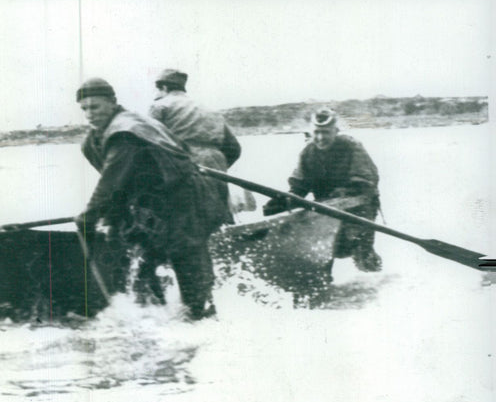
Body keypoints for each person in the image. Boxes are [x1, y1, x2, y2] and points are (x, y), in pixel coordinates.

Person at [74, 77, 227, 319]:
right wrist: (111, 220)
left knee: (188, 262)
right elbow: (118, 189)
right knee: (142, 260)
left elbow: (111, 182)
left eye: (96, 107)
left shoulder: (126, 131)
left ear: (112, 103)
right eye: (84, 109)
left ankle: (201, 319)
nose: (90, 114)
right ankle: (157, 318)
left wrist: (88, 216)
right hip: (151, 203)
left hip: (184, 199)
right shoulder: (94, 140)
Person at [262, 108, 382, 272]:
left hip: (358, 208)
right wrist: (285, 200)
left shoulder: (351, 147)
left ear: (336, 131)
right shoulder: (308, 152)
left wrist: (345, 192)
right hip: (326, 209)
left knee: (361, 252)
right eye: (316, 132)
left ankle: (375, 284)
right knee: (322, 252)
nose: (320, 138)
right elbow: (299, 185)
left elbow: (365, 181)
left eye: (325, 132)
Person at [148, 68, 255, 216]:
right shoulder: (209, 109)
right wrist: (218, 166)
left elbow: (149, 142)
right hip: (216, 166)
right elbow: (234, 148)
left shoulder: (160, 106)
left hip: (185, 165)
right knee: (217, 215)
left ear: (163, 88)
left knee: (184, 216)